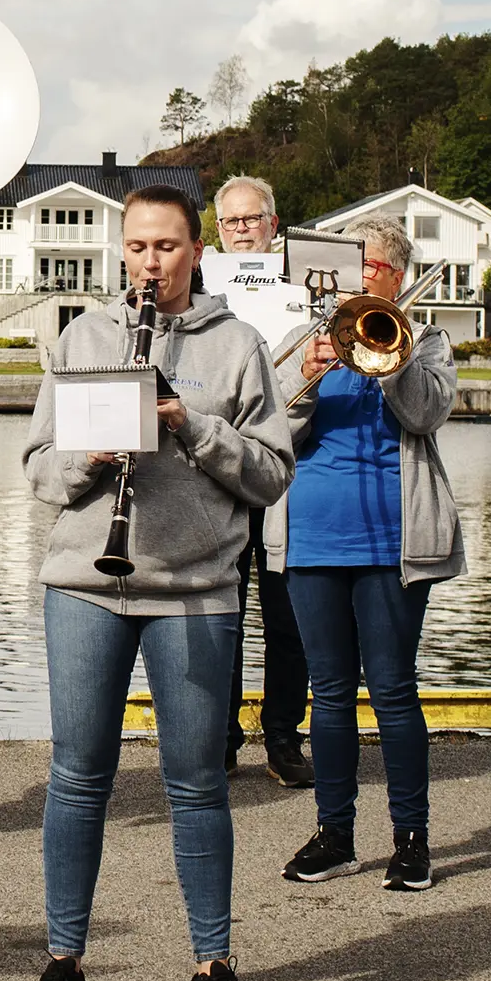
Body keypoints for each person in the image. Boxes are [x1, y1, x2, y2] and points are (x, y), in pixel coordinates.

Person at [15, 186, 293, 981]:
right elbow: (36, 464)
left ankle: (212, 970)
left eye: (166, 246)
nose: (149, 262)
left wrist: (189, 425)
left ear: (195, 249)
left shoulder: (238, 344)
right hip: (86, 584)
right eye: (136, 246)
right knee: (78, 776)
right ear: (120, 250)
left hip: (194, 589)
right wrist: (88, 462)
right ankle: (64, 963)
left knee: (197, 781)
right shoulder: (83, 336)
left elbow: (271, 472)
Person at [274, 218, 462, 892]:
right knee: (326, 693)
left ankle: (411, 838)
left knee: (391, 689)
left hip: (391, 541)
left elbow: (426, 413)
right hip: (312, 538)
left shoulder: (429, 340)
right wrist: (304, 374)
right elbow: (269, 431)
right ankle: (335, 833)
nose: (357, 277)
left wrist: (392, 356)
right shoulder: (304, 340)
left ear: (397, 276)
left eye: (371, 265)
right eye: (349, 265)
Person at [205, 175, 311, 786]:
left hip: (285, 470)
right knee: (219, 611)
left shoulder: (305, 286)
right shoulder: (203, 286)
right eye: (231, 222)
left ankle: (283, 737)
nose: (242, 229)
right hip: (217, 470)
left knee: (287, 617)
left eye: (253, 218)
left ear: (275, 223)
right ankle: (219, 736)